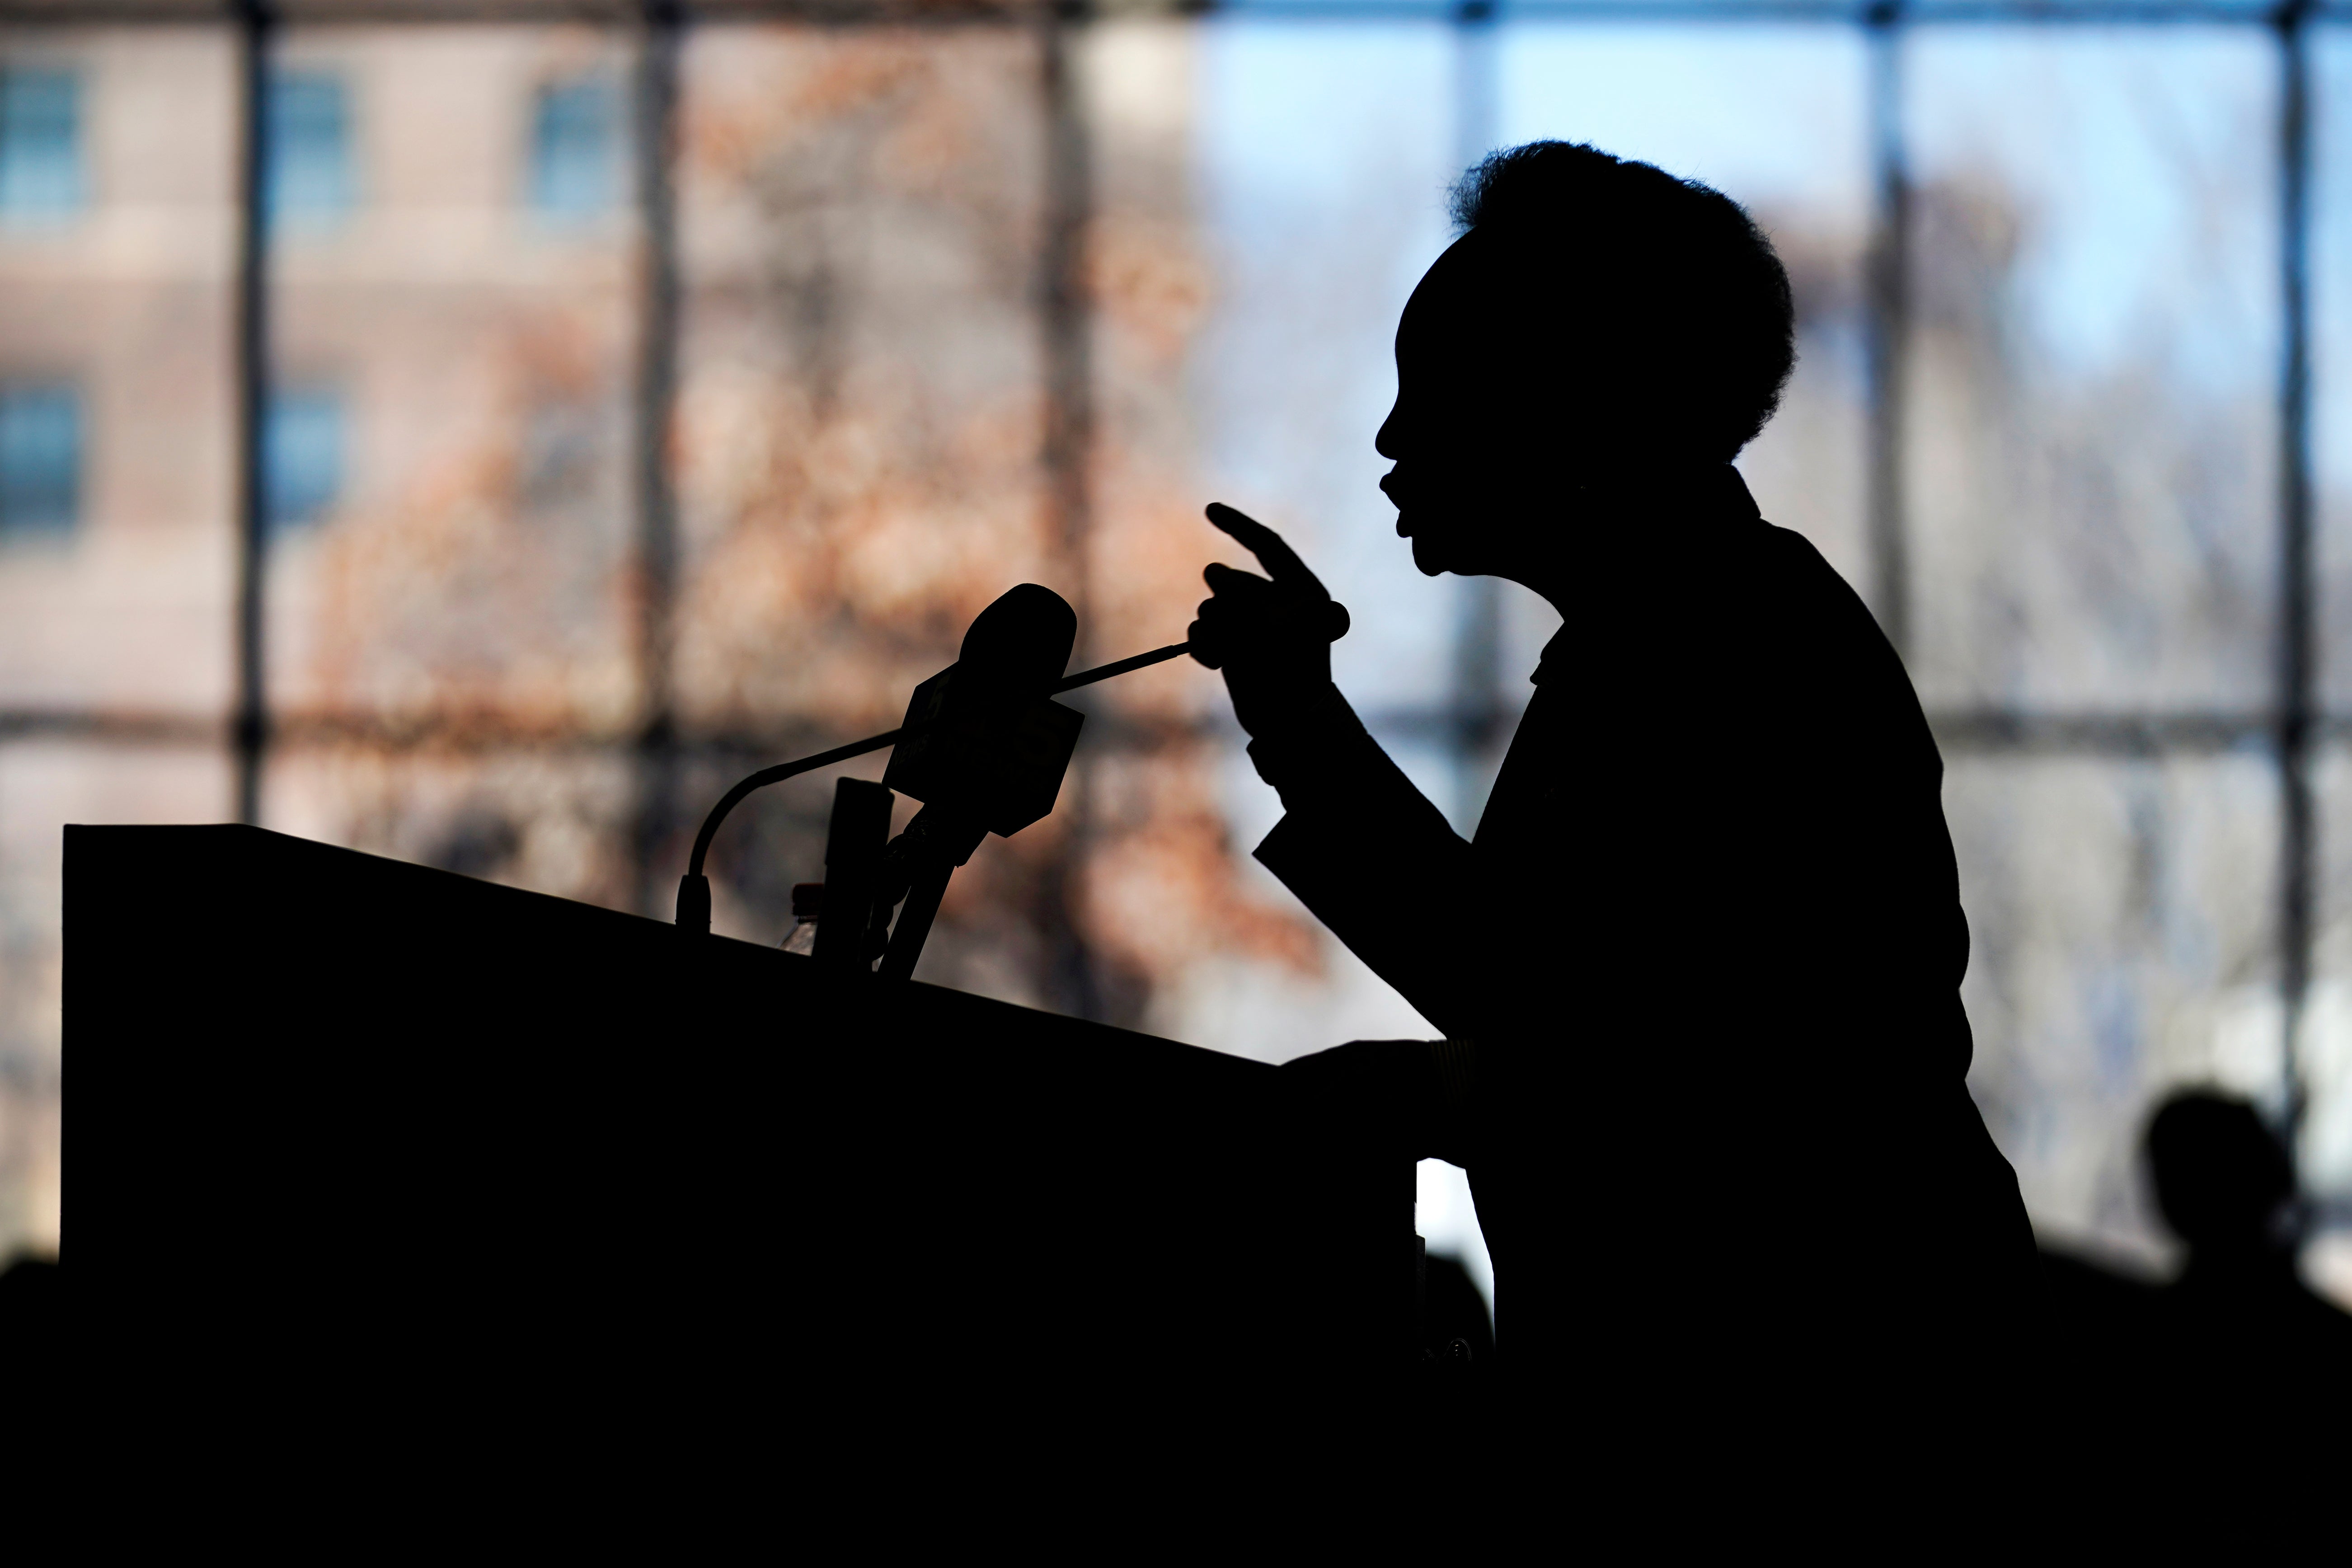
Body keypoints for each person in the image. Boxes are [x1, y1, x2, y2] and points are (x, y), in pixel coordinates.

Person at [1189, 142, 2035, 1431]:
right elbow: (1532, 987)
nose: (1392, 435)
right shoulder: (1683, 633)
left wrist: (1444, 1093)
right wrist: (1299, 720)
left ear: (1576, 405)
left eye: (1438, 388)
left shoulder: (1750, 651)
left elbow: (1784, 1081)